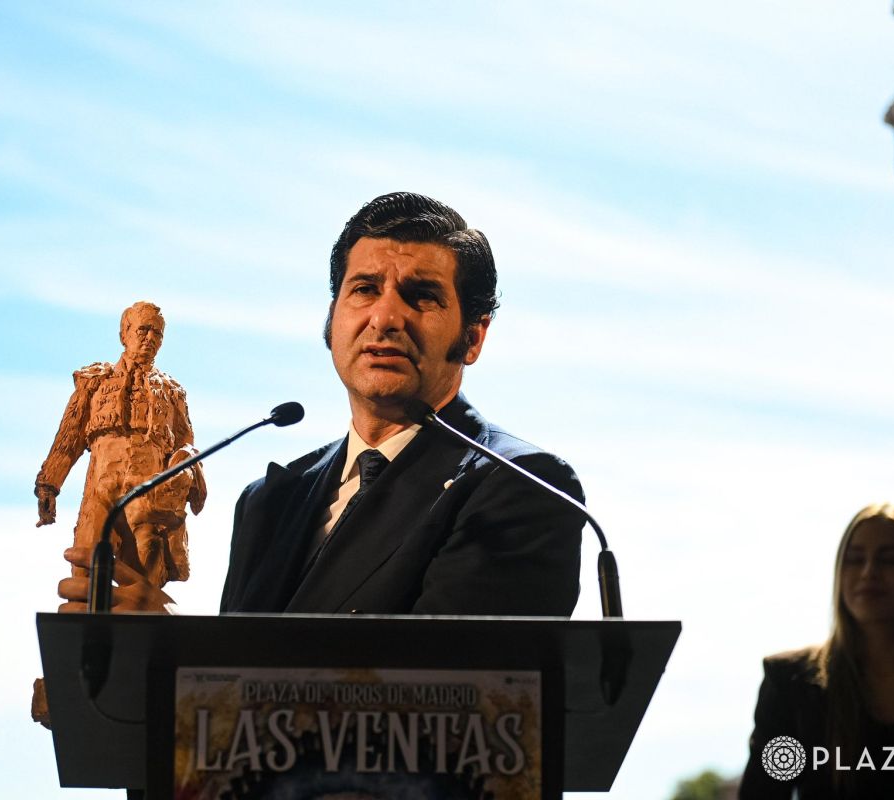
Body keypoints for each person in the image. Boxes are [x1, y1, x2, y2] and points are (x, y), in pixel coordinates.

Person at [59, 192, 584, 616]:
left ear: (472, 337)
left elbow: (436, 696)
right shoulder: (268, 500)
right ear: (331, 321)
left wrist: (174, 652)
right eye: (364, 289)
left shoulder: (520, 485)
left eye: (421, 295)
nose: (385, 317)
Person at [739, 503, 894, 799]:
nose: (869, 572)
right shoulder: (792, 683)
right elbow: (763, 793)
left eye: (889, 560)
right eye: (854, 559)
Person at [37, 301, 206, 589]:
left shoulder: (172, 391)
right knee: (86, 569)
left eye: (157, 333)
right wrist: (49, 485)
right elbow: (69, 437)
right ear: (124, 334)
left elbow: (186, 444)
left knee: (145, 578)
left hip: (148, 493)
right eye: (143, 330)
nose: (149, 338)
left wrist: (188, 477)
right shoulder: (94, 382)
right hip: (102, 488)